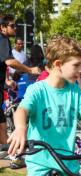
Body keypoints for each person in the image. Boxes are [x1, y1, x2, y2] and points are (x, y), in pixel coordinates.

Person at [7, 36, 81, 175]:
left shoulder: (74, 91)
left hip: (68, 163)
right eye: (76, 65)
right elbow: (22, 110)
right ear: (58, 64)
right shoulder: (37, 90)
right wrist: (20, 128)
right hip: (41, 165)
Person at [0, 14, 40, 159]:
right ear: (2, 27)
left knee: (2, 124)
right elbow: (9, 62)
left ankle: (11, 154)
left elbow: (3, 63)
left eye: (15, 25)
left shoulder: (4, 41)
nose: (15, 28)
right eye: (12, 25)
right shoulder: (3, 39)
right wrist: (29, 70)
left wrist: (7, 81)